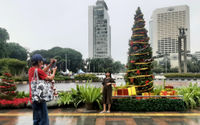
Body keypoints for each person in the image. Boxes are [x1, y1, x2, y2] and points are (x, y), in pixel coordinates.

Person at [28, 54, 57, 125]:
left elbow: (42, 71)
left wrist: (50, 65)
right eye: (41, 61)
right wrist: (54, 71)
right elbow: (50, 78)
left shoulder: (31, 70)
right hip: (40, 98)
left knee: (36, 119)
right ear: (38, 62)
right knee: (44, 120)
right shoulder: (38, 71)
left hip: (33, 98)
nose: (42, 62)